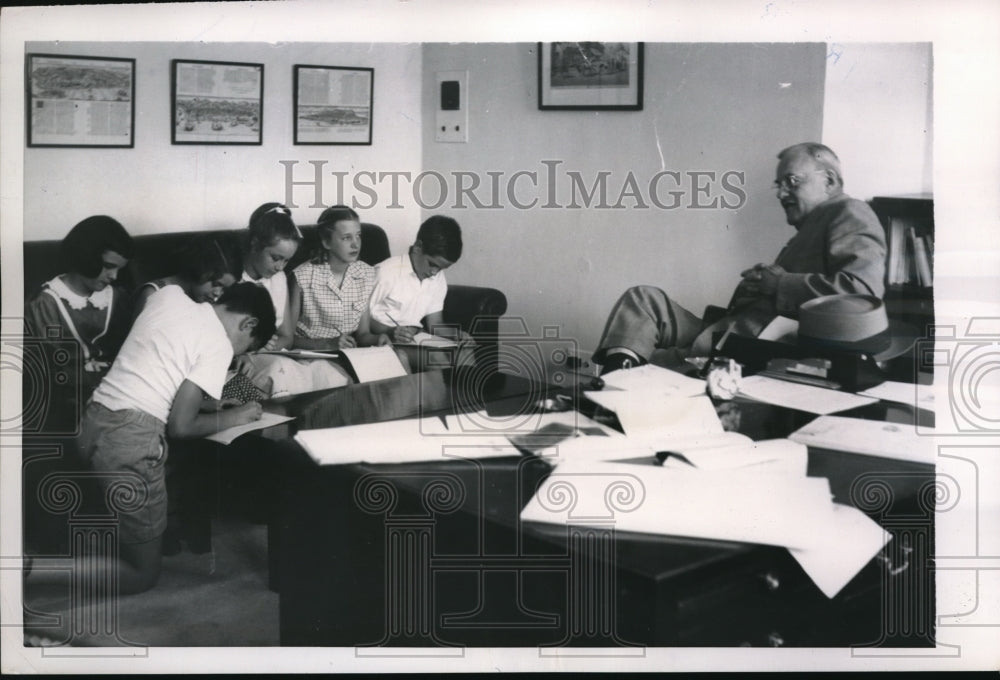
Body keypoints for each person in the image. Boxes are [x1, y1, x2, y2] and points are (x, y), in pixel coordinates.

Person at [26, 282, 277, 594]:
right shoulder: (219, 344)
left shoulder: (169, 295)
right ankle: (27, 572)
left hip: (93, 419)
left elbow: (158, 361)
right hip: (130, 440)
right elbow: (181, 427)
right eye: (247, 346)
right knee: (143, 573)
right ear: (248, 324)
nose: (238, 353)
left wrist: (210, 406)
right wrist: (235, 416)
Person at [594, 142, 887, 374]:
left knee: (649, 365)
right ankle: (616, 384)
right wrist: (759, 285)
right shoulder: (813, 225)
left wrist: (779, 284)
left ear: (830, 181)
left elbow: (861, 294)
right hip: (730, 331)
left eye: (792, 181)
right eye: (779, 184)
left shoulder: (850, 212)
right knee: (644, 300)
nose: (781, 192)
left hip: (748, 349)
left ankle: (616, 389)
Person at [25, 215, 135, 404]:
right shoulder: (47, 303)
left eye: (119, 269)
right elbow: (49, 367)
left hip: (118, 389)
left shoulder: (118, 297)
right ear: (86, 256)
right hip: (70, 396)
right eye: (109, 266)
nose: (114, 276)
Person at [292, 205, 391, 350]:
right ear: (326, 242)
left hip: (348, 353)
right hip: (313, 353)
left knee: (400, 357)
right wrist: (327, 344)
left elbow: (363, 334)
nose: (355, 244)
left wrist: (378, 338)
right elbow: (288, 338)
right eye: (346, 238)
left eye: (358, 235)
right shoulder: (302, 277)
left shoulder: (366, 273)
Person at [369, 215, 465, 344]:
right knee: (435, 357)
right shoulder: (385, 272)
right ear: (418, 247)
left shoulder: (437, 277)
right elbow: (358, 317)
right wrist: (390, 331)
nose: (434, 273)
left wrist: (458, 335)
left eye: (441, 269)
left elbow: (435, 323)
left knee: (464, 352)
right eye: (432, 264)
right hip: (386, 338)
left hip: (415, 337)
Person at [132, 234, 243, 318]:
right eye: (217, 284)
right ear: (202, 268)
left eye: (224, 289)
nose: (217, 293)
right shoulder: (153, 293)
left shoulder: (203, 301)